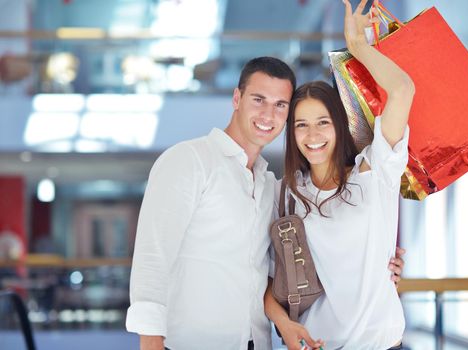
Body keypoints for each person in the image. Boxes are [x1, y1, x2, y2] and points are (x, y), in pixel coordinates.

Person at [126, 46, 405, 350]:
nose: (267, 114)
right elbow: (153, 258)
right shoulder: (189, 160)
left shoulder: (269, 187)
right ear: (237, 99)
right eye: (258, 100)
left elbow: (266, 273)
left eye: (280, 104)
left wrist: (381, 261)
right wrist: (150, 341)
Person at [263, 1, 415, 349]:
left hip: (381, 342)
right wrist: (284, 323)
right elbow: (268, 281)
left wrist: (358, 47)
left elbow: (403, 90)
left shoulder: (373, 172)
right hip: (318, 343)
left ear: (339, 126)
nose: (312, 136)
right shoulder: (287, 194)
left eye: (323, 123)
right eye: (301, 125)